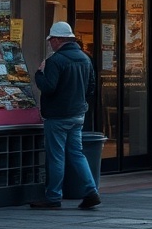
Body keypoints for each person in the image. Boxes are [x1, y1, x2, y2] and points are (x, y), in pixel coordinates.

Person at [31, 21, 101, 209]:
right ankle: (91, 191)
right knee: (77, 154)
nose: (50, 43)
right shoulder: (85, 58)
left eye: (51, 40)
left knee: (56, 156)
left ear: (59, 39)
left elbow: (48, 87)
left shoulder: (55, 61)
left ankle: (53, 197)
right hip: (78, 114)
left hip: (57, 116)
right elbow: (91, 87)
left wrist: (39, 74)